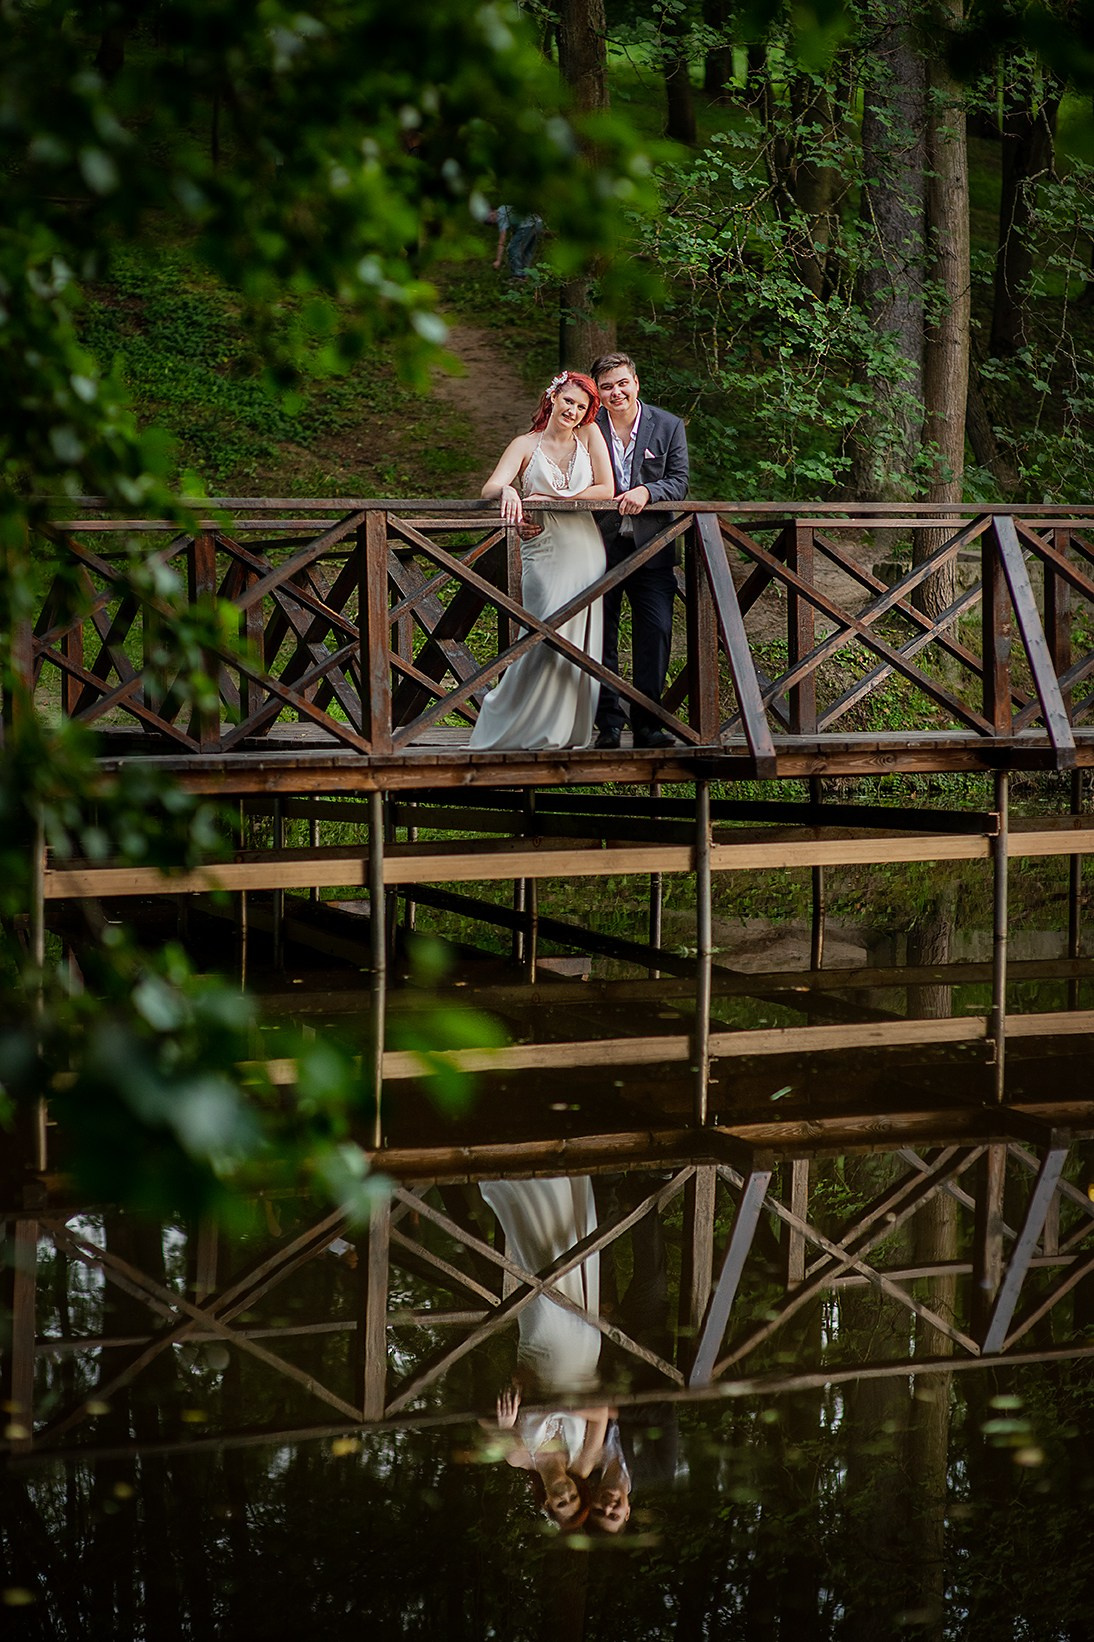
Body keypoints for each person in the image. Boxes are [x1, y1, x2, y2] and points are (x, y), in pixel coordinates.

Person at [469, 371, 614, 752]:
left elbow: (607, 488)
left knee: (577, 643)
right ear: (552, 397)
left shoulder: (589, 436)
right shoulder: (525, 444)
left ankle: (562, 730)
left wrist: (556, 502)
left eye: (582, 407)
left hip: (584, 547)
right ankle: (506, 718)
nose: (573, 411)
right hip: (543, 547)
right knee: (542, 634)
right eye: (569, 401)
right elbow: (490, 486)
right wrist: (510, 491)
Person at [477, 1175, 608, 1530]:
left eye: (559, 1503)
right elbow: (601, 1413)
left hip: (539, 1351)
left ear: (546, 1501)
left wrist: (505, 1426)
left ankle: (524, 1187)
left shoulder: (520, 1456)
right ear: (579, 1490)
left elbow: (483, 1419)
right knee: (572, 1259)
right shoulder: (583, 1462)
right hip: (579, 1354)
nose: (565, 1494)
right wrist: (562, 1404)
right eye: (573, 1498)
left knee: (538, 1271)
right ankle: (563, 1185)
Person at [589, 352, 690, 750]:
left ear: (636, 383)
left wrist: (649, 490)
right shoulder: (587, 425)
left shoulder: (668, 425)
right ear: (598, 392)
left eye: (622, 384)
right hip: (598, 546)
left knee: (657, 631)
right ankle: (609, 725)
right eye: (607, 387)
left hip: (654, 549)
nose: (616, 392)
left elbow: (679, 481)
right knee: (601, 635)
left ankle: (649, 724)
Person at [486, 205, 544, 279]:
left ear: (493, 211)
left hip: (527, 225)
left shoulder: (500, 215)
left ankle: (518, 275)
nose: (490, 220)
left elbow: (502, 240)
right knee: (527, 251)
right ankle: (525, 275)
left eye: (489, 217)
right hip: (538, 222)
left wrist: (498, 260)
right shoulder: (504, 208)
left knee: (512, 249)